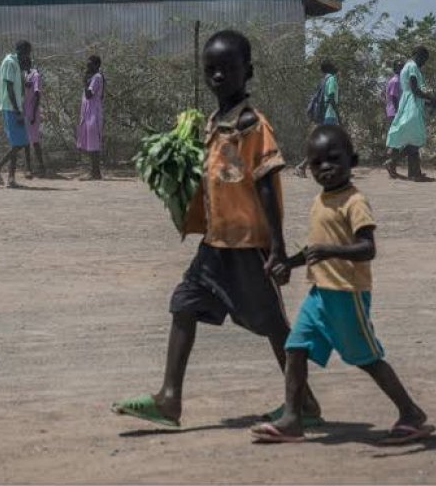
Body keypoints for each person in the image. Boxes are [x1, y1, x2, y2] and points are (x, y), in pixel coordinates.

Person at [111, 30, 322, 428]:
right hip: (215, 243)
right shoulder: (214, 121)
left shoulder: (251, 124)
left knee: (275, 327)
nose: (219, 76)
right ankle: (169, 398)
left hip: (247, 245)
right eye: (211, 70)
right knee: (184, 303)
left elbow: (264, 181)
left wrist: (277, 248)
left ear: (248, 72)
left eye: (228, 68)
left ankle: (305, 402)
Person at [250, 124, 433, 445]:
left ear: (354, 160)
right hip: (319, 295)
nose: (325, 168)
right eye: (317, 162)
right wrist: (287, 263)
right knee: (294, 349)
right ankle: (293, 418)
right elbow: (314, 250)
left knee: (367, 358)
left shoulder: (354, 201)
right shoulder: (321, 201)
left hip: (347, 296)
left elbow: (367, 248)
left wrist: (329, 251)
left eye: (334, 159)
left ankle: (411, 413)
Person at [384, 47, 436, 181]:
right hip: (412, 105)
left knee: (414, 138)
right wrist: (431, 98)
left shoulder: (406, 67)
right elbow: (415, 89)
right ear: (418, 55)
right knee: (416, 139)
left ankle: (415, 173)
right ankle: (393, 162)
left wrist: (427, 101)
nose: (424, 62)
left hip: (409, 103)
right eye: (424, 59)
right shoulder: (413, 67)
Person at [0, 41, 32, 188]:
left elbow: (19, 87)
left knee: (20, 142)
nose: (28, 55)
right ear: (20, 51)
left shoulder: (17, 64)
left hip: (16, 107)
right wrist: (17, 110)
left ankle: (11, 179)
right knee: (19, 143)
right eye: (26, 52)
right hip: (10, 107)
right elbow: (9, 88)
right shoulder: (9, 62)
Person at [296, 60, 339, 178]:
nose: (336, 66)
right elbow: (330, 97)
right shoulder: (331, 79)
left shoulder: (324, 80)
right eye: (333, 64)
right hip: (330, 115)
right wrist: (338, 114)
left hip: (326, 115)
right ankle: (302, 166)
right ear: (329, 68)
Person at [76, 55, 105, 180]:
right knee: (89, 142)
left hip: (94, 113)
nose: (87, 66)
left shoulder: (97, 77)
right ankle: (95, 172)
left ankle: (95, 172)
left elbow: (89, 95)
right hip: (88, 112)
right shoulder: (93, 77)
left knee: (93, 143)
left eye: (90, 64)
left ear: (97, 65)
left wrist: (84, 80)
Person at [21, 63, 47, 178]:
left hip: (32, 112)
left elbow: (37, 95)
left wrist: (34, 114)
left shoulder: (36, 75)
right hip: (26, 111)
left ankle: (41, 167)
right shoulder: (25, 74)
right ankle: (28, 168)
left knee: (34, 140)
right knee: (26, 140)